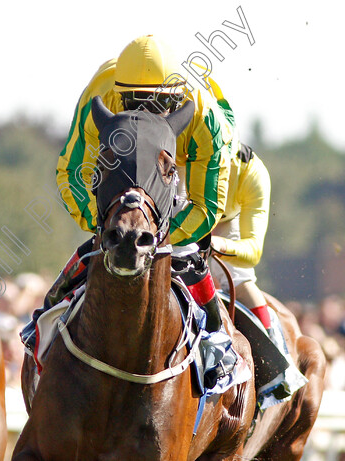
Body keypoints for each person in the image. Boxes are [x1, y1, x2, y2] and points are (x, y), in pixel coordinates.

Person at [50, 35, 239, 384]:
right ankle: (49, 315)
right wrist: (104, 226)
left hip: (181, 164)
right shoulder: (101, 93)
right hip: (123, 160)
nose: (143, 112)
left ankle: (217, 339)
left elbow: (206, 205)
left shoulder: (206, 120)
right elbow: (71, 173)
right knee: (114, 227)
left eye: (155, 104)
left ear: (175, 99)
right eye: (134, 102)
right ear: (118, 96)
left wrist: (158, 237)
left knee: (184, 250)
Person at [210, 143, 306, 397]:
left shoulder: (252, 173)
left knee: (239, 279)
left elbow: (252, 251)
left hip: (225, 221)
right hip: (179, 211)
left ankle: (273, 370)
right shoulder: (174, 151)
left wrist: (215, 244)